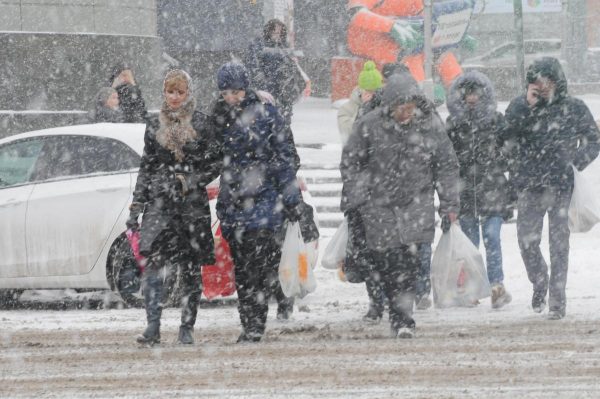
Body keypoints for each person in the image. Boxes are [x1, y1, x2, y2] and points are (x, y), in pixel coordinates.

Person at [341, 73, 460, 338]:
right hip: (379, 207)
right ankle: (397, 312)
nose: (405, 113)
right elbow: (351, 162)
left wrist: (449, 202)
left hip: (416, 204)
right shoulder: (369, 125)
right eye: (400, 108)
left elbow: (447, 165)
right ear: (389, 106)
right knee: (386, 261)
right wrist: (360, 196)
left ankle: (403, 319)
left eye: (409, 108)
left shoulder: (430, 126)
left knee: (409, 264)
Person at [127, 69, 222, 345]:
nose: (175, 97)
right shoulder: (154, 124)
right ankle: (153, 325)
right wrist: (136, 207)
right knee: (154, 266)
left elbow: (215, 161)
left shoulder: (202, 123)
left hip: (191, 206)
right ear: (164, 93)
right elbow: (147, 166)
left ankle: (186, 326)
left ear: (188, 93)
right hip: (160, 203)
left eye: (180, 92)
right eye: (171, 91)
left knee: (191, 269)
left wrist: (191, 180)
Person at [502, 57, 600, 319]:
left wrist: (574, 163)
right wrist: (527, 107)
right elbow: (505, 139)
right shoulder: (519, 107)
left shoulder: (574, 108)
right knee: (526, 242)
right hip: (530, 186)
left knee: (559, 246)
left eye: (547, 80)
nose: (542, 86)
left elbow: (593, 141)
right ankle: (540, 280)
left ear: (557, 81)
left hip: (561, 186)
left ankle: (557, 301)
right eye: (536, 81)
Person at [211, 62, 303, 342]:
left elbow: (285, 158)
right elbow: (211, 157)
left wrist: (290, 197)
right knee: (243, 268)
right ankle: (249, 322)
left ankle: (254, 325)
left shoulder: (265, 115)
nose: (232, 98)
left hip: (262, 205)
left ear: (246, 89)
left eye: (237, 92)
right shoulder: (219, 119)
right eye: (227, 93)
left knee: (256, 267)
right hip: (235, 206)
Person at [446, 70, 513, 309]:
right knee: (471, 244)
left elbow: (511, 150)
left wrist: (496, 159)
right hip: (466, 194)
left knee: (492, 238)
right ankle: (473, 288)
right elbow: (446, 159)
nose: (472, 98)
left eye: (475, 93)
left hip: (493, 190)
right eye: (467, 93)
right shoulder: (453, 124)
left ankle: (497, 285)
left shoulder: (496, 120)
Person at [244, 18, 304, 170]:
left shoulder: (284, 47)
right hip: (268, 96)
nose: (277, 35)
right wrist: (263, 86)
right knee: (266, 128)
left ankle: (283, 159)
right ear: (268, 31)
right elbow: (253, 68)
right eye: (274, 31)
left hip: (282, 97)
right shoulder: (259, 46)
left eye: (279, 32)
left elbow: (291, 71)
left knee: (284, 129)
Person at [337, 60, 383, 145]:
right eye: (368, 91)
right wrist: (363, 111)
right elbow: (347, 135)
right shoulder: (345, 109)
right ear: (360, 91)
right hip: (357, 155)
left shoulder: (385, 106)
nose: (372, 96)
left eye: (375, 92)